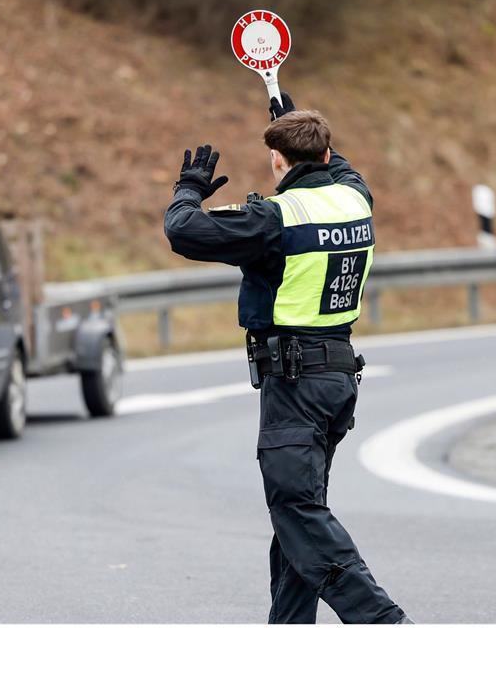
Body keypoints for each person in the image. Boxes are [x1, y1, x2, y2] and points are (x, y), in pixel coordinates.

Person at [163, 93, 409, 624]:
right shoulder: (355, 198)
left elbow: (183, 231)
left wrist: (188, 189)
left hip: (295, 385)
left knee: (297, 513)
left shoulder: (272, 219)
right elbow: (333, 163)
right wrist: (290, 123)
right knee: (298, 519)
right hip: (338, 377)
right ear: (325, 154)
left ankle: (386, 625)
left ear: (278, 161)